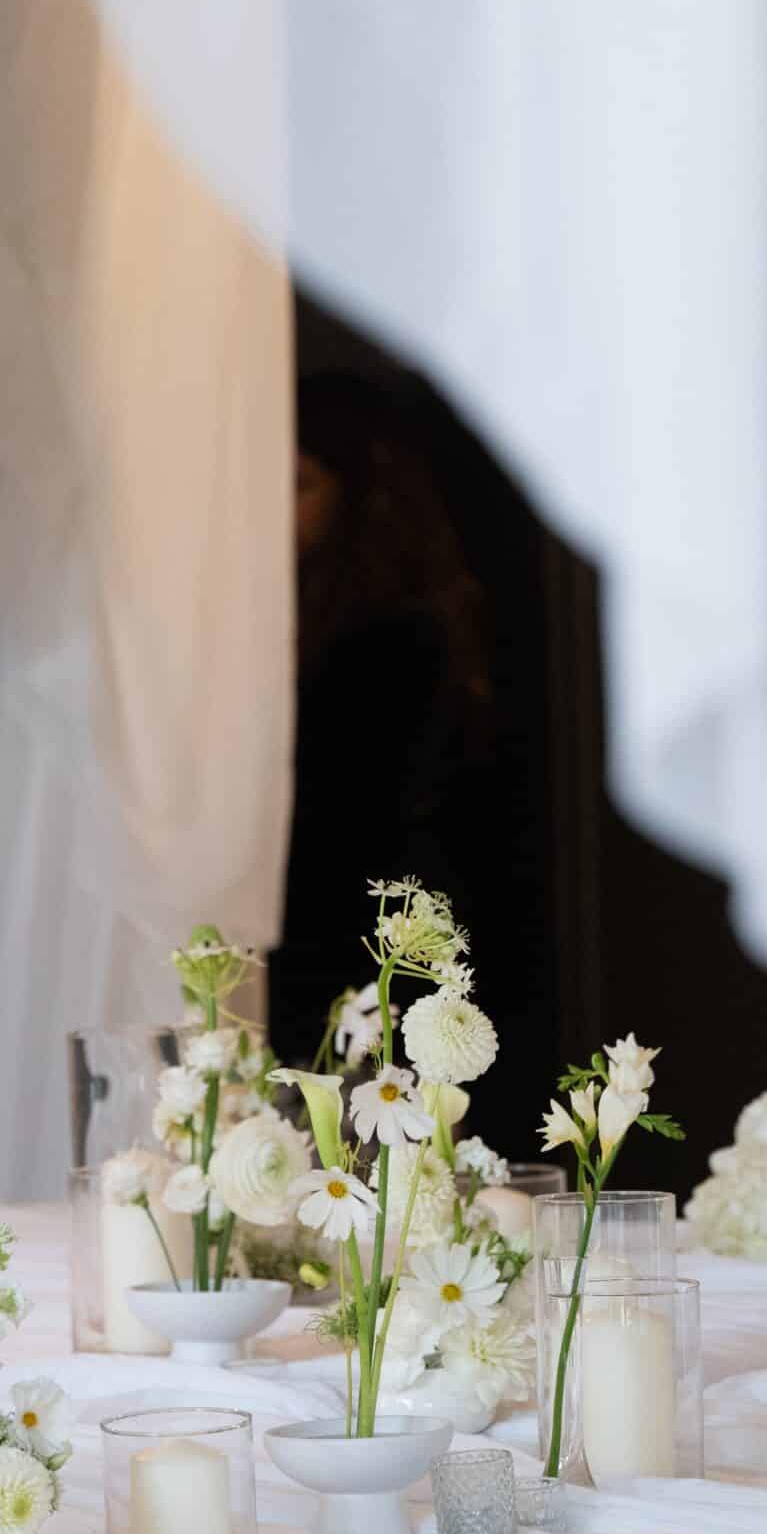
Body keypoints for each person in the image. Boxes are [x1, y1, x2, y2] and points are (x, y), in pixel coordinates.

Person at [270, 378, 494, 1068]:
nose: (275, 510)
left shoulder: (395, 633)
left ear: (357, 498)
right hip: (330, 928)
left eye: (300, 485)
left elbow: (353, 812)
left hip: (365, 931)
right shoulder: (309, 614)